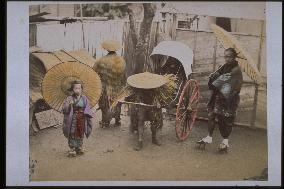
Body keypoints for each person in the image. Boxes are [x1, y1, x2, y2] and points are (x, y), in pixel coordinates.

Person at [197, 48, 243, 152]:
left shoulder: (236, 71)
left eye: (229, 57)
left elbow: (235, 86)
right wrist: (212, 77)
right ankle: (209, 137)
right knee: (211, 115)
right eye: (225, 56)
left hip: (229, 99)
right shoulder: (222, 67)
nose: (227, 59)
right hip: (217, 97)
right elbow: (214, 84)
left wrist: (219, 79)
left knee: (225, 121)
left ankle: (225, 141)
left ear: (234, 57)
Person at [93, 40, 126, 128]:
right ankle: (117, 120)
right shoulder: (122, 61)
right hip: (118, 87)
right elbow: (124, 75)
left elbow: (94, 73)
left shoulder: (101, 61)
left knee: (105, 104)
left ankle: (105, 122)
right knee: (117, 102)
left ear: (106, 49)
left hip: (105, 87)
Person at [62, 80, 94, 157]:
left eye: (79, 88)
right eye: (76, 88)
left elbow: (87, 108)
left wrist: (88, 113)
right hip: (73, 118)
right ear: (73, 89)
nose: (78, 90)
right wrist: (69, 105)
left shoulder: (84, 98)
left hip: (82, 118)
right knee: (72, 132)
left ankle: (79, 147)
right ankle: (72, 148)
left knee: (81, 131)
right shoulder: (69, 98)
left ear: (81, 89)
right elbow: (64, 109)